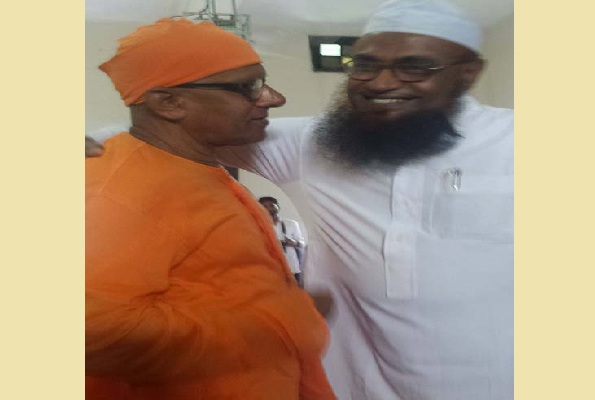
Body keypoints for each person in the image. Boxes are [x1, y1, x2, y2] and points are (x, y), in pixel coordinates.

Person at [87, 0, 513, 399]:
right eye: (365, 65)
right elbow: (161, 136)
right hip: (356, 382)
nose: (382, 82)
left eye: (415, 67)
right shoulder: (319, 141)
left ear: (467, 73)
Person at [85, 18, 337, 400]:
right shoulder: (122, 190)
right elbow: (94, 332)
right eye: (248, 87)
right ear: (169, 103)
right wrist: (282, 322)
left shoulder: (188, 169)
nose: (273, 98)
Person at [258, 196, 306, 284]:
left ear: (278, 207)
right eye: (265, 206)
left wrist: (294, 243)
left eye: (272, 205)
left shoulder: (291, 224)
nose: (269, 209)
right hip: (271, 268)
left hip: (292, 266)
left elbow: (302, 244)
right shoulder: (259, 227)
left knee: (295, 291)